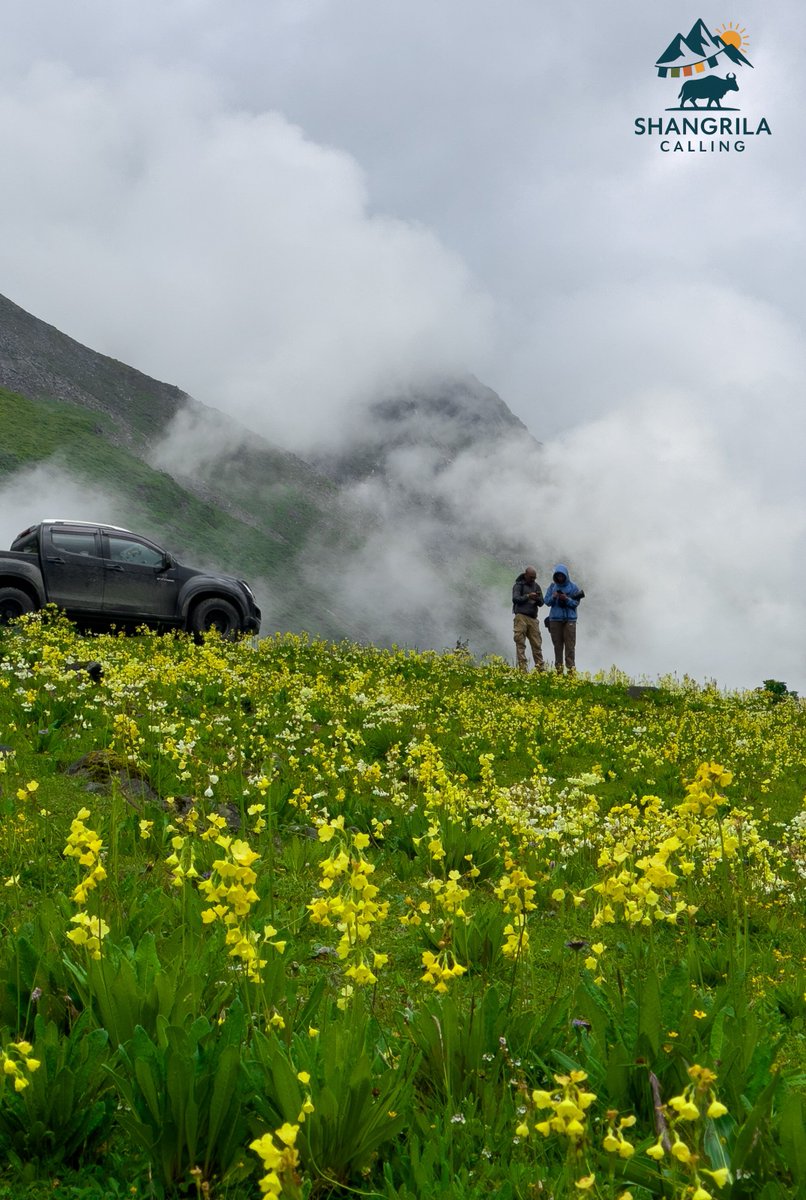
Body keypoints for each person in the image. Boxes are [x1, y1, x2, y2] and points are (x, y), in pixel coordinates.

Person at [544, 563, 584, 675]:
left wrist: (566, 599)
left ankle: (571, 671)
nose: (560, 578)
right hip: (555, 620)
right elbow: (546, 601)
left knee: (570, 646)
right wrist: (554, 596)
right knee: (557, 646)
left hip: (569, 620)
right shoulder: (552, 587)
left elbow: (575, 603)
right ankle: (559, 672)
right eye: (558, 576)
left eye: (562, 576)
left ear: (566, 575)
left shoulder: (573, 587)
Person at [512, 566, 544, 672]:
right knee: (520, 643)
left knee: (537, 644)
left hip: (533, 618)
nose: (533, 580)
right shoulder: (518, 585)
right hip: (520, 616)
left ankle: (540, 669)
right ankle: (523, 669)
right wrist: (528, 596)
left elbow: (542, 603)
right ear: (525, 575)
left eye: (534, 578)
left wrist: (537, 598)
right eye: (531, 577)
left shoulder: (536, 586)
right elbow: (515, 599)